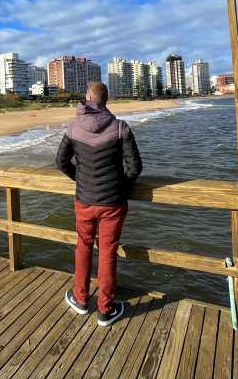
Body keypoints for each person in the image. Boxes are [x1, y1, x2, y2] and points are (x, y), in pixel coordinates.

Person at [55, 81, 142, 327]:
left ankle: (81, 300)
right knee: (108, 251)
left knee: (83, 246)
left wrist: (80, 179)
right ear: (106, 100)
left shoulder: (73, 128)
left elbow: (61, 162)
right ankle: (106, 309)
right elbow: (135, 168)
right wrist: (119, 187)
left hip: (84, 201)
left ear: (86, 98)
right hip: (113, 203)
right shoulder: (120, 128)